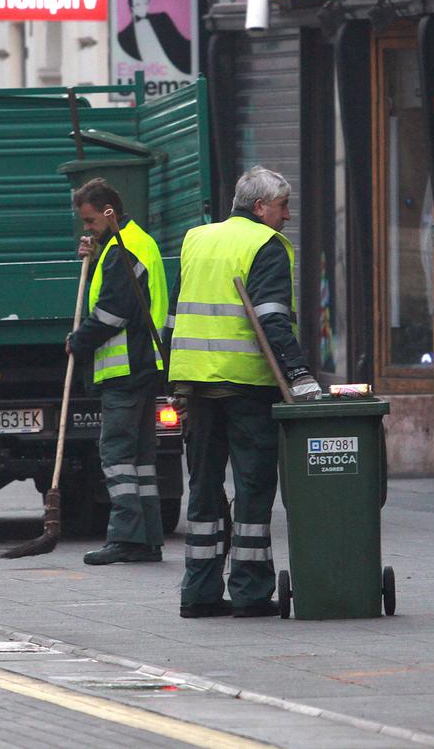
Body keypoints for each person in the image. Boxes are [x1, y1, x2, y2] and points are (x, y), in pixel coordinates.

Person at [167, 166, 320, 618]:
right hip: (246, 384)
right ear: (260, 207)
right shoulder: (265, 245)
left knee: (205, 486)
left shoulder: (197, 238)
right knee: (253, 487)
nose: (287, 216)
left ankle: (198, 592)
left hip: (197, 383)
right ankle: (251, 592)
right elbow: (272, 319)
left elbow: (174, 318)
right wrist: (301, 378)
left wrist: (173, 380)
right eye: (283, 206)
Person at [66, 178, 168, 565]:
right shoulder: (128, 244)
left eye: (91, 221)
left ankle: (126, 536)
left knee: (118, 455)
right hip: (141, 367)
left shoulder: (125, 250)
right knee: (140, 460)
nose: (86, 228)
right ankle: (147, 539)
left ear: (109, 212)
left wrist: (79, 340)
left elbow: (113, 312)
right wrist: (90, 259)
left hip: (125, 369)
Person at [115, 0, 192, 76]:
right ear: (131, 7)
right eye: (138, 4)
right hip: (147, 76)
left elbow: (179, 42)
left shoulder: (162, 19)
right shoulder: (123, 36)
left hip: (175, 72)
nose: (143, 8)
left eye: (145, 3)